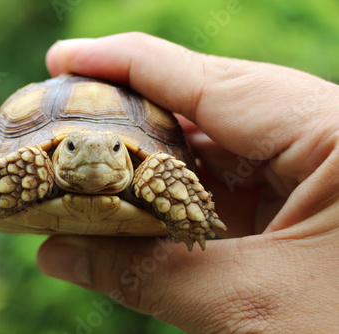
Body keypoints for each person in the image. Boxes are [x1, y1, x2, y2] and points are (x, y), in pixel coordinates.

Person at [36, 32, 339, 333]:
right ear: (59, 152)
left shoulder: (150, 172)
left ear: (126, 155)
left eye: (116, 147)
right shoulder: (36, 167)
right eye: (72, 147)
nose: (94, 153)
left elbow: (160, 172)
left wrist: (192, 219)